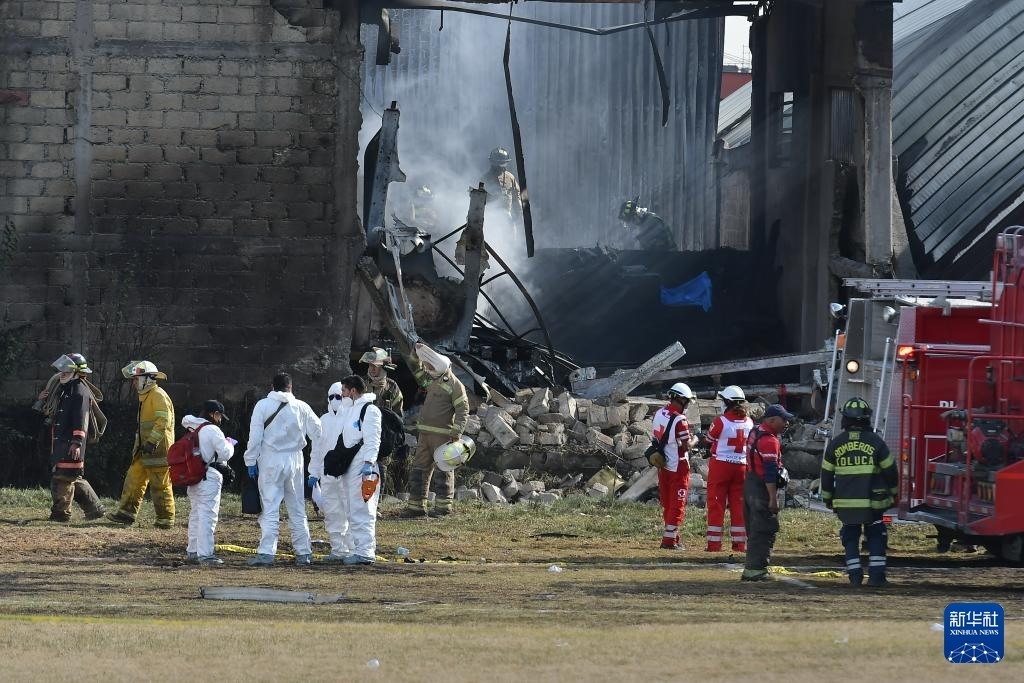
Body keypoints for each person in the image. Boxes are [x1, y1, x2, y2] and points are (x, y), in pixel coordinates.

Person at [243, 372, 322, 567]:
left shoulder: (263, 405)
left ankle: (266, 553)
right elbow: (318, 432)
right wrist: (314, 464)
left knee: (270, 507)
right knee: (297, 508)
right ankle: (304, 553)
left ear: (272, 387)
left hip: (270, 459)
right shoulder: (302, 406)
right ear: (291, 387)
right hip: (296, 459)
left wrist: (250, 460)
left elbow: (255, 437)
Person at [820, 397, 898, 587]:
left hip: (846, 505)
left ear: (845, 419)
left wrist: (828, 499)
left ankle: (855, 577)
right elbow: (891, 471)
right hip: (873, 505)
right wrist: (894, 493)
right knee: (876, 536)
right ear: (867, 418)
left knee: (850, 538)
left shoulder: (835, 444)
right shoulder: (876, 442)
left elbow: (826, 476)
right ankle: (876, 578)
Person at [308, 376, 382, 565]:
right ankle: (355, 550)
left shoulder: (369, 410)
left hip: (363, 468)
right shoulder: (351, 411)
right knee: (352, 510)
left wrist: (369, 463)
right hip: (351, 468)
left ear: (353, 391)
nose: (340, 395)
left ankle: (365, 552)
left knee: (362, 510)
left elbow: (373, 439)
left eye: (343, 391)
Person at [397, 342, 469, 519]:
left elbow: (463, 410)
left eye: (431, 365)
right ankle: (416, 507)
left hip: (443, 436)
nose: (428, 368)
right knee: (419, 470)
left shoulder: (455, 384)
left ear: (439, 366)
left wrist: (456, 432)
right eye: (427, 365)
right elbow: (417, 370)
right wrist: (416, 355)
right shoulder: (431, 380)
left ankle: (443, 508)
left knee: (443, 471)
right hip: (425, 435)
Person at [38, 354, 106, 522]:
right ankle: (95, 509)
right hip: (62, 442)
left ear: (77, 372)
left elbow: (81, 419)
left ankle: (61, 515)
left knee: (63, 478)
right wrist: (42, 400)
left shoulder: (79, 391)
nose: (62, 373)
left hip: (70, 444)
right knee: (72, 477)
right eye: (62, 370)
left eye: (67, 371)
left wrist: (77, 442)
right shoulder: (66, 389)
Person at [108, 361, 176, 528]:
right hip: (144, 449)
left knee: (160, 485)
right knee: (133, 479)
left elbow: (163, 421)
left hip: (158, 450)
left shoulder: (157, 395)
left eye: (136, 379)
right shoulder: (146, 397)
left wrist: (152, 442)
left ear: (147, 379)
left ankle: (165, 520)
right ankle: (126, 514)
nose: (133, 382)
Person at [742, 403, 793, 581]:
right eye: (783, 420)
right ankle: (756, 570)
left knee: (754, 528)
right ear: (771, 420)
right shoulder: (770, 441)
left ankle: (753, 567)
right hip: (762, 489)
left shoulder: (755, 431)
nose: (786, 423)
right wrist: (773, 498)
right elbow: (770, 472)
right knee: (764, 529)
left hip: (749, 484)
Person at [181, 400, 235, 566]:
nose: (220, 419)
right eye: (219, 416)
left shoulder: (191, 426)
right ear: (214, 414)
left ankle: (193, 551)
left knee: (196, 514)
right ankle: (206, 555)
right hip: (208, 476)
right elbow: (225, 454)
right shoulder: (212, 430)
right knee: (208, 516)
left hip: (193, 476)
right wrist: (230, 444)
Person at [704, 385, 753, 552]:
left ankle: (714, 544)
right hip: (742, 467)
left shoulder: (721, 421)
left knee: (716, 503)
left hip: (721, 466)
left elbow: (709, 440)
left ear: (727, 402)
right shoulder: (749, 422)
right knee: (739, 505)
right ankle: (740, 544)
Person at [650, 382, 698, 550]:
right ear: (681, 399)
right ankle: (669, 541)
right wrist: (696, 438)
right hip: (679, 466)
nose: (688, 405)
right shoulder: (680, 420)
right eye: (687, 401)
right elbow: (686, 446)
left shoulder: (659, 413)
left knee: (668, 504)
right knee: (677, 505)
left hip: (664, 465)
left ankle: (673, 537)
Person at [482, 147, 523, 222]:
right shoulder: (485, 179)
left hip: (507, 218)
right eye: (497, 163)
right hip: (490, 218)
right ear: (492, 162)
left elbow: (517, 197)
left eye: (502, 163)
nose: (499, 166)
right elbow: (478, 200)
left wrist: (519, 215)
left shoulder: (510, 177)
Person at [361, 347, 404, 414]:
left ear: (383, 368)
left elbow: (398, 413)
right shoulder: (361, 383)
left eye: (376, 366)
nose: (372, 368)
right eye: (371, 365)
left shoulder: (392, 387)